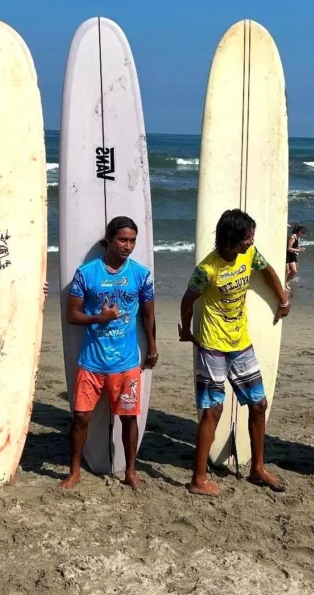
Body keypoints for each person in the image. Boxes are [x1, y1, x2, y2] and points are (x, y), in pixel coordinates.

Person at [179, 208, 291, 496]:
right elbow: (188, 300)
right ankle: (198, 479)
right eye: (247, 237)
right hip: (213, 346)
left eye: (252, 236)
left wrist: (283, 300)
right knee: (213, 410)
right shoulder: (207, 270)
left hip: (241, 343)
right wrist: (186, 330)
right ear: (230, 239)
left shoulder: (249, 255)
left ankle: (257, 468)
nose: (251, 242)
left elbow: (267, 271)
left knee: (259, 404)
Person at [60, 216, 157, 491]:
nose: (128, 246)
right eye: (123, 239)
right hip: (92, 360)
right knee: (80, 418)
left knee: (129, 418)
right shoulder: (87, 273)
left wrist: (152, 346)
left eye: (133, 240)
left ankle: (130, 472)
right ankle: (75, 471)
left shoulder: (140, 274)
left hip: (126, 361)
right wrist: (99, 318)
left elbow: (149, 315)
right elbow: (71, 315)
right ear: (109, 239)